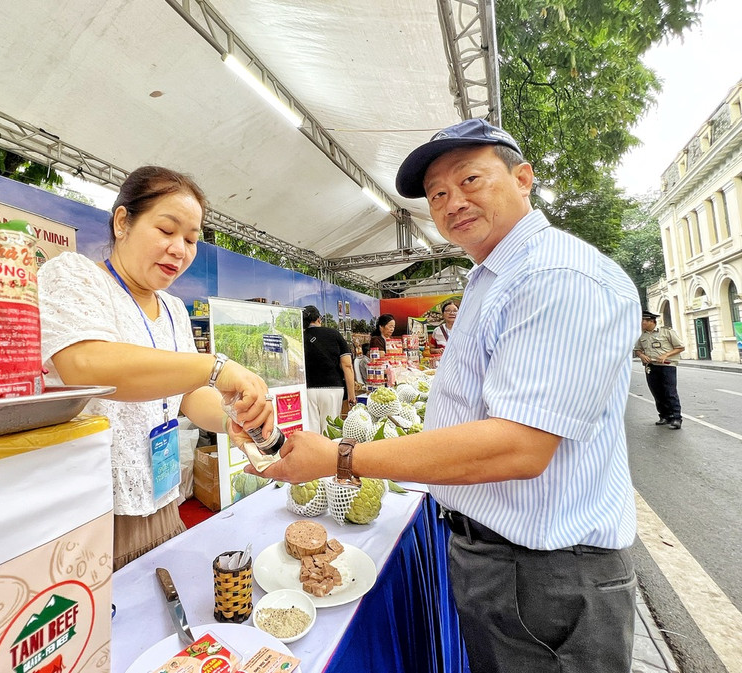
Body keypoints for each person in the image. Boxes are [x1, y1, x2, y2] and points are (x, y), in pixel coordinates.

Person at [251, 119, 642, 673]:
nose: (452, 201)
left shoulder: (556, 276)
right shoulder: (493, 277)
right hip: (503, 563)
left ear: (523, 178)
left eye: (470, 179)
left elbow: (519, 446)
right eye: (437, 194)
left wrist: (342, 456)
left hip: (546, 577)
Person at [38, 165, 274, 570]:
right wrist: (214, 367)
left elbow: (188, 395)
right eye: (167, 230)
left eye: (191, 239)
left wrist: (233, 417)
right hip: (92, 510)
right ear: (122, 222)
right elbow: (85, 365)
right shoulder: (74, 275)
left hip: (162, 496)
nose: (180, 250)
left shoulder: (174, 309)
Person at [302, 305, 356, 433]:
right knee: (330, 430)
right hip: (333, 388)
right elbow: (347, 366)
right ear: (319, 319)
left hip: (308, 389)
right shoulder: (334, 334)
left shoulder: (301, 336)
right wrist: (351, 395)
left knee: (312, 431)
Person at [634, 310, 685, 429]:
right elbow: (637, 349)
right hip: (651, 366)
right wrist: (641, 355)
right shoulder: (641, 335)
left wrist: (666, 355)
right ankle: (664, 416)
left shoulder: (666, 331)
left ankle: (676, 418)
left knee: (670, 392)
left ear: (651, 321)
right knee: (657, 392)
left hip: (667, 366)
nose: (641, 323)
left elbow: (680, 347)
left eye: (642, 321)